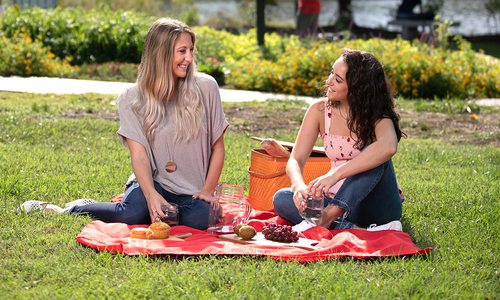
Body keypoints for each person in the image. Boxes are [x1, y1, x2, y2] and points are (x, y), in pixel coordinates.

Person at [20, 18, 229, 230]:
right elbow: (138, 155)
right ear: (161, 54)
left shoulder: (206, 87)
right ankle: (71, 208)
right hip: (153, 183)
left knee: (201, 219)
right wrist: (150, 196)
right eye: (182, 51)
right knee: (133, 213)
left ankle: (170, 211)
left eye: (191, 50)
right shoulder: (131, 99)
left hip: (191, 192)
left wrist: (207, 191)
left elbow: (218, 147)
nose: (189, 58)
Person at [273, 49, 404, 232]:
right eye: (331, 73)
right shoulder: (319, 110)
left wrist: (334, 175)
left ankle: (329, 217)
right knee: (281, 198)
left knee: (375, 157)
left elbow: (388, 147)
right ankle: (357, 229)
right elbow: (296, 159)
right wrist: (298, 187)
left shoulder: (377, 115)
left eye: (338, 79)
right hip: (336, 199)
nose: (329, 81)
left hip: (376, 205)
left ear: (358, 88)